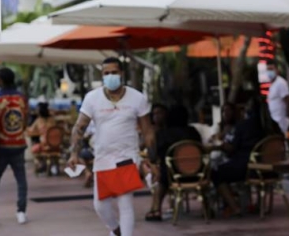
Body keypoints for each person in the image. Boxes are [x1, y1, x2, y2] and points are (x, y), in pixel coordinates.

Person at [68, 57, 155, 236]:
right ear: (102, 76)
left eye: (114, 72)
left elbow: (148, 131)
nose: (110, 76)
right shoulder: (92, 98)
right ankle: (116, 230)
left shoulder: (137, 98)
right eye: (106, 73)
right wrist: (74, 153)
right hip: (103, 157)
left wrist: (151, 158)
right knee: (100, 206)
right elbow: (79, 127)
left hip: (127, 157)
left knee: (125, 203)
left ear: (121, 73)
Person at [210, 97, 266, 217]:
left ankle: (234, 207)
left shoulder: (242, 126)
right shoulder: (266, 125)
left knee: (215, 173)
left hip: (244, 166)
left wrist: (220, 143)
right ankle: (253, 204)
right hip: (264, 166)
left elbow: (231, 149)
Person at [145, 104, 201, 222]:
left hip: (173, 175)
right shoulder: (193, 132)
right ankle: (208, 206)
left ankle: (156, 208)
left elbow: (154, 157)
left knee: (162, 177)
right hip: (198, 173)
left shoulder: (164, 134)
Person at [0, 67, 28, 224]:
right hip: (18, 143)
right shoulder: (21, 98)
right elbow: (25, 119)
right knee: (21, 179)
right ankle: (21, 211)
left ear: (2, 80)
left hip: (1, 144)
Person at [266, 61, 289, 135]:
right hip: (275, 121)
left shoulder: (281, 83)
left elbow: (288, 99)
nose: (269, 72)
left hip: (282, 120)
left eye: (271, 69)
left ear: (276, 70)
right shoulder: (272, 85)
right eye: (268, 70)